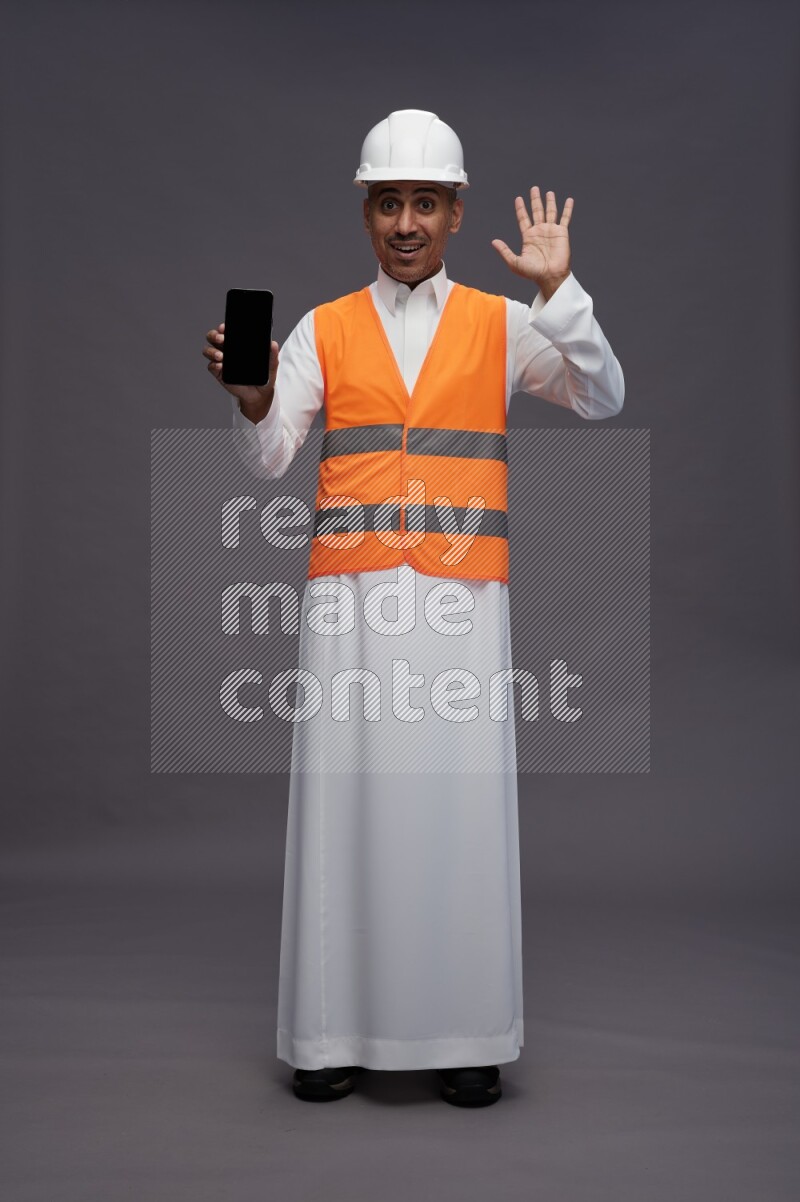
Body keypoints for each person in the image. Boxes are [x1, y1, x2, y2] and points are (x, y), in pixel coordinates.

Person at [203, 109, 624, 1107]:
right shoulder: (320, 326)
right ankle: (329, 1033)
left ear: (452, 210)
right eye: (387, 200)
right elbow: (266, 461)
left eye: (423, 201)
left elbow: (601, 396)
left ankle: (463, 1031)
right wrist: (254, 394)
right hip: (348, 606)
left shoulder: (502, 321)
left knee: (457, 809)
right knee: (342, 809)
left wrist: (558, 290)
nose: (404, 219)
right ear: (365, 211)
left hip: (459, 607)